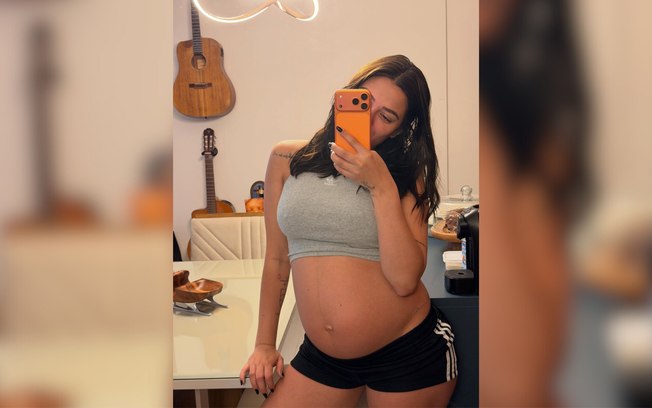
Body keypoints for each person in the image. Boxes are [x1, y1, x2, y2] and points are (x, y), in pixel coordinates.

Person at [239, 55, 457, 407]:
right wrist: (264, 345)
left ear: (399, 130)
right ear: (345, 97)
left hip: (406, 353)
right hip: (324, 359)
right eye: (363, 102)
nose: (369, 120)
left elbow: (404, 280)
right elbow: (277, 259)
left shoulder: (405, 173)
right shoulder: (286, 160)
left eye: (387, 116)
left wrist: (380, 185)